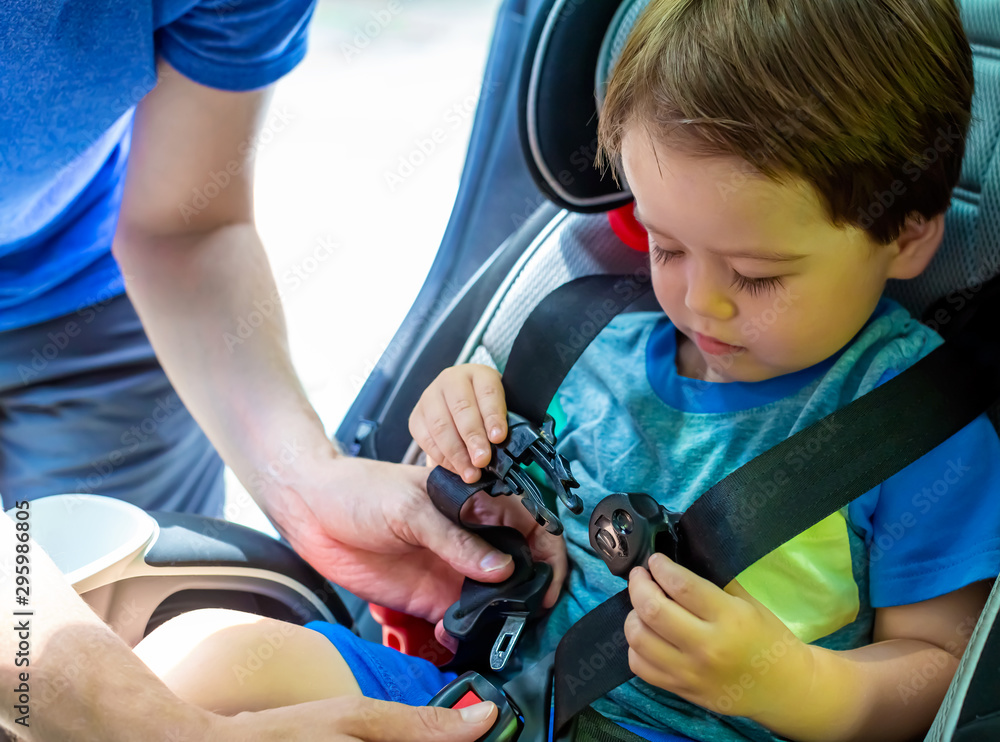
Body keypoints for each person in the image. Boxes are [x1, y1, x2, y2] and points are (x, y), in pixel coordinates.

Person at [118, 0, 1000, 740]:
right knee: (201, 658)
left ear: (908, 231)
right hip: (489, 707)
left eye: (759, 274)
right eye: (665, 246)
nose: (703, 303)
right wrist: (456, 439)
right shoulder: (586, 339)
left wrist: (789, 682)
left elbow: (946, 672)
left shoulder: (914, 428)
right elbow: (479, 523)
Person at [0, 1, 563, 739]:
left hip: (81, 280)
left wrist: (306, 480)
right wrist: (166, 726)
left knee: (119, 594)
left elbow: (186, 227)